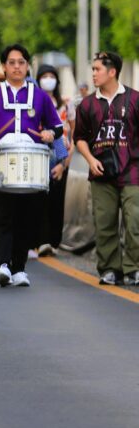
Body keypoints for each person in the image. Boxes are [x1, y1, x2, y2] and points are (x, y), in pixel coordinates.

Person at [0, 44, 62, 287]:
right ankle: (3, 265)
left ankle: (19, 268)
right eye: (11, 62)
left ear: (28, 66)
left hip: (31, 168)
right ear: (4, 67)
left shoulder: (40, 96)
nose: (17, 67)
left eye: (21, 62)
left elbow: (57, 126)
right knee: (2, 217)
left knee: (26, 218)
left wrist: (50, 134)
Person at [73, 51, 139, 286]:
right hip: (100, 173)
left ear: (112, 72)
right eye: (93, 69)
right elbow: (79, 138)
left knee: (135, 221)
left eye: (97, 69)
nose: (93, 74)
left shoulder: (135, 99)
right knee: (104, 224)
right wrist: (90, 160)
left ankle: (134, 268)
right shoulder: (87, 105)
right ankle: (110, 269)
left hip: (133, 172)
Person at [35, 65, 73, 257]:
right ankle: (40, 240)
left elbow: (74, 135)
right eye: (44, 76)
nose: (48, 80)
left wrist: (63, 164)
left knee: (56, 201)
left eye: (52, 76)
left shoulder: (66, 105)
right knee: (39, 199)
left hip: (59, 153)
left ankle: (54, 241)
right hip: (39, 153)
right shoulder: (34, 102)